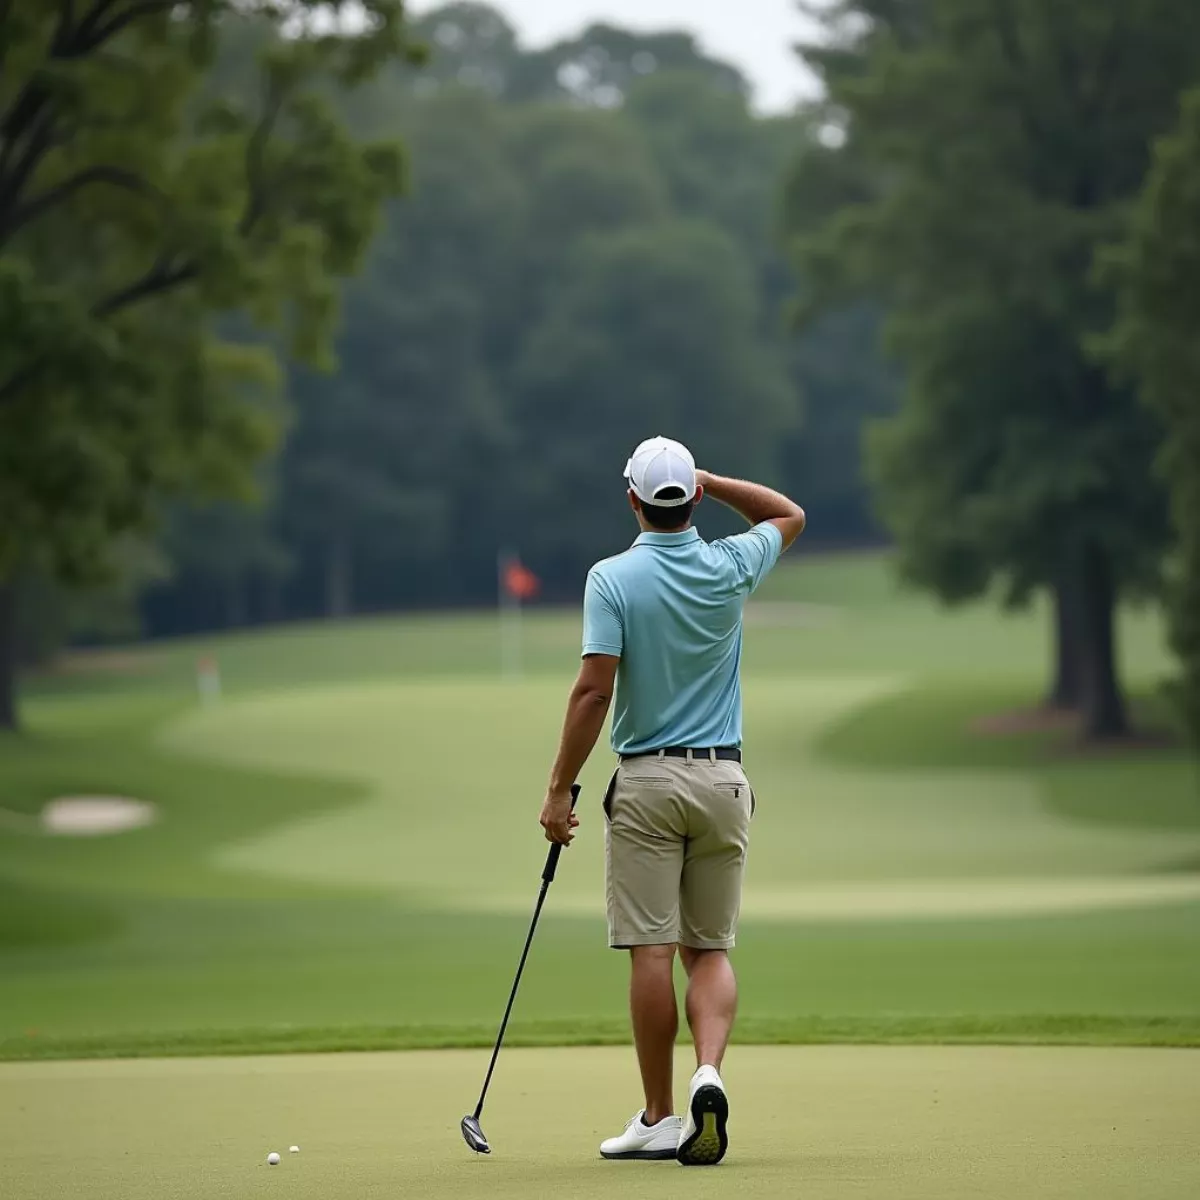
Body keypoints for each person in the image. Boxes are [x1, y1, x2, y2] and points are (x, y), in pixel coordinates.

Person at [539, 435, 806, 1166]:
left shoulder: (612, 578)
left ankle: (660, 1115)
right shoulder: (728, 565)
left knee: (651, 949)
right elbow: (788, 515)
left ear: (631, 499)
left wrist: (560, 785)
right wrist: (714, 480)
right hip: (724, 781)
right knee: (709, 949)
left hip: (649, 784)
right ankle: (709, 1074)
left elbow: (595, 690)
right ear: (690, 497)